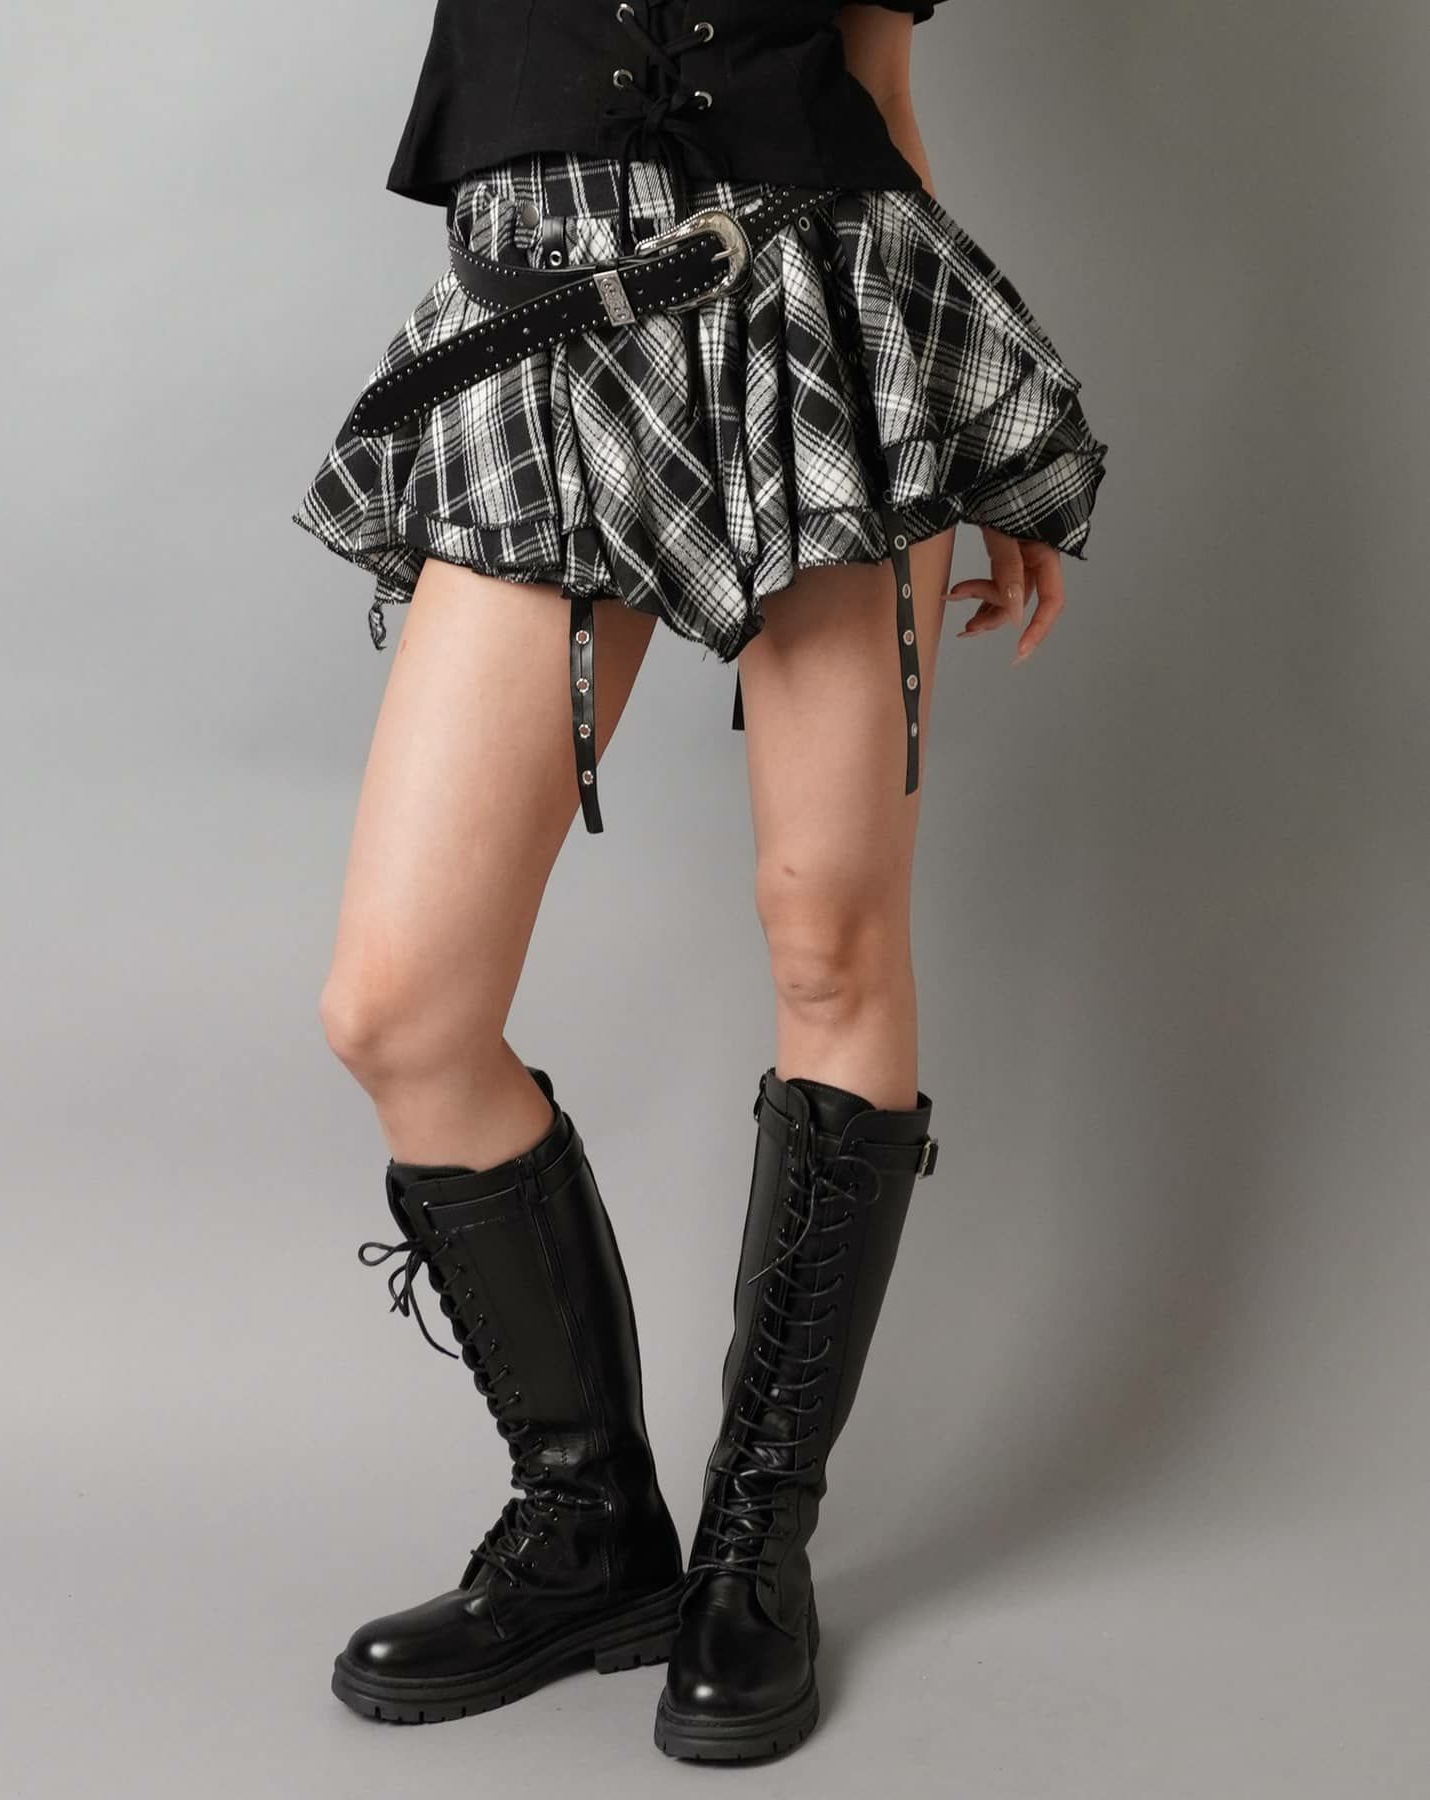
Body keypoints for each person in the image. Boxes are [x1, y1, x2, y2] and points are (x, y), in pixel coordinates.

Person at [291, 0, 1108, 1763]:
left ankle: (755, 1547)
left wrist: (986, 424)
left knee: (831, 938)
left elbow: (877, 93)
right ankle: (590, 1529)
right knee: (400, 1006)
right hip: (544, 326)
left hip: (821, 314)